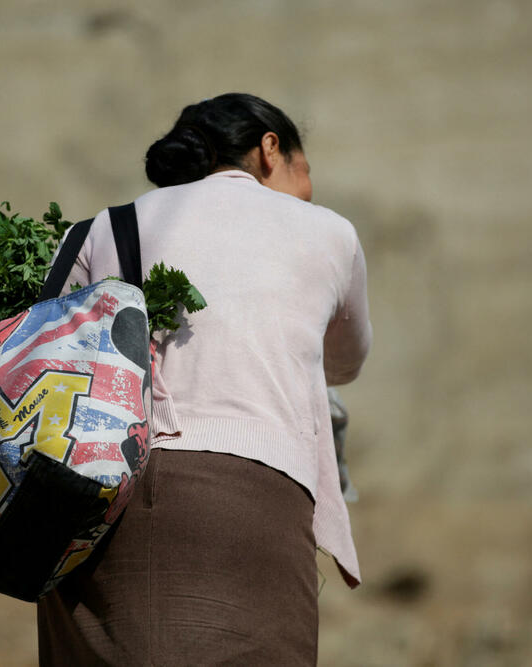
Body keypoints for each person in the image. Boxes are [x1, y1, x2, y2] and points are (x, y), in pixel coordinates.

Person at [37, 93, 373, 665]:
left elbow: (44, 355)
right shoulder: (329, 232)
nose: (308, 188)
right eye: (304, 170)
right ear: (271, 150)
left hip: (88, 509)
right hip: (251, 501)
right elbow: (347, 359)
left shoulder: (104, 227)